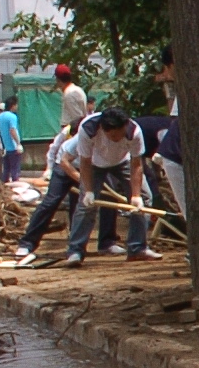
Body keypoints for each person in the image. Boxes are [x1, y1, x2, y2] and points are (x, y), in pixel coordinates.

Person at [17, 108, 157, 265]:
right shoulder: (88, 129)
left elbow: (136, 164)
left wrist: (136, 195)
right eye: (113, 136)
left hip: (122, 162)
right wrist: (89, 191)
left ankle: (137, 248)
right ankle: (75, 251)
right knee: (85, 205)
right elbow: (84, 162)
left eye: (120, 133)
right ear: (104, 130)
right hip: (93, 164)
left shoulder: (133, 131)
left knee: (145, 198)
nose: (118, 138)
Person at [54, 64, 90, 134]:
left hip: (71, 131)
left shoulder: (69, 94)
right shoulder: (78, 89)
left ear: (58, 80)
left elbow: (77, 118)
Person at [0, 100, 24, 184]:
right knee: (15, 169)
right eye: (16, 105)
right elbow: (12, 130)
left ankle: (4, 187)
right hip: (13, 146)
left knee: (6, 170)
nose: (17, 107)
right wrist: (18, 143)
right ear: (12, 105)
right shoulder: (12, 116)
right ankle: (15, 187)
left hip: (4, 147)